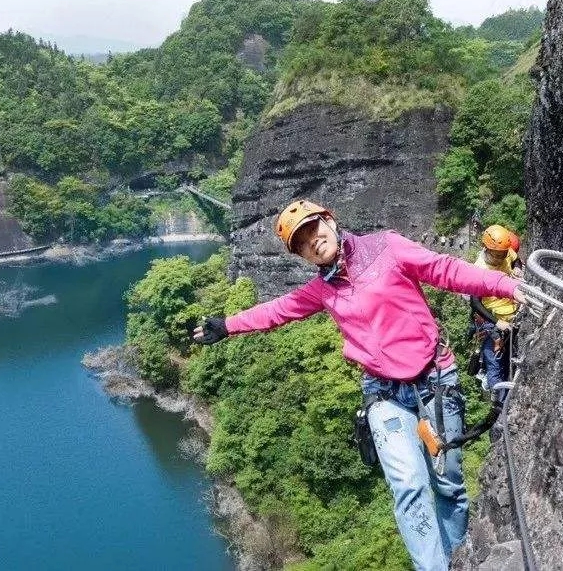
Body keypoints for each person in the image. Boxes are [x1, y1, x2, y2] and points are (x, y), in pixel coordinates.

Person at [193, 200, 524, 571]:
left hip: (434, 380)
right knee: (410, 489)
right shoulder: (323, 291)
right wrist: (228, 324)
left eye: (313, 229)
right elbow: (277, 310)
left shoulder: (387, 247)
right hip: (384, 395)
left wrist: (507, 286)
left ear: (329, 220)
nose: (313, 241)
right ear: (301, 255)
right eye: (302, 242)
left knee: (449, 488)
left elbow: (444, 270)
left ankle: (460, 558)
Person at [470, 225, 523, 401]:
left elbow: (516, 259)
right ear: (487, 248)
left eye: (503, 254)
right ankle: (499, 406)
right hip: (492, 320)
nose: (501, 258)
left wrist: (517, 268)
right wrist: (496, 322)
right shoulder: (479, 269)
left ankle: (509, 397)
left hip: (512, 312)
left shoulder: (504, 251)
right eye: (497, 255)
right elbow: (475, 303)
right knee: (495, 364)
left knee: (510, 361)